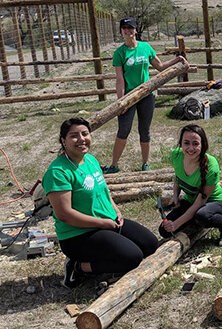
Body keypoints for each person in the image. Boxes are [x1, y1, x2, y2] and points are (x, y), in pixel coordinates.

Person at [43, 118, 158, 288]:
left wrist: (116, 210)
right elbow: (65, 215)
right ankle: (78, 267)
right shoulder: (58, 172)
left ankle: (103, 250)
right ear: (63, 141)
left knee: (150, 244)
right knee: (132, 257)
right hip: (78, 235)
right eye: (74, 136)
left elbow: (103, 191)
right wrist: (102, 223)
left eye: (85, 133)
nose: (81, 139)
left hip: (107, 221)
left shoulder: (90, 160)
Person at [102, 17, 188, 174]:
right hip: (128, 96)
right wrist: (121, 102)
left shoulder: (145, 47)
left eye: (131, 27)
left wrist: (177, 59)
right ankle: (114, 165)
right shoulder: (119, 53)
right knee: (124, 130)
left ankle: (145, 164)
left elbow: (160, 66)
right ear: (121, 31)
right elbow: (120, 80)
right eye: (125, 28)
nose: (128, 30)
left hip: (147, 93)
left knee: (145, 129)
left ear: (135, 30)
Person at [159, 124, 222, 246]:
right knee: (164, 231)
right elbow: (178, 177)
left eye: (195, 144)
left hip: (215, 203)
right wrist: (175, 196)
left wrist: (176, 224)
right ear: (180, 144)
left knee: (202, 216)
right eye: (186, 143)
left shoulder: (212, 167)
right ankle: (193, 221)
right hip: (191, 201)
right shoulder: (176, 155)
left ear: (203, 145)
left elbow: (200, 203)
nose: (190, 148)